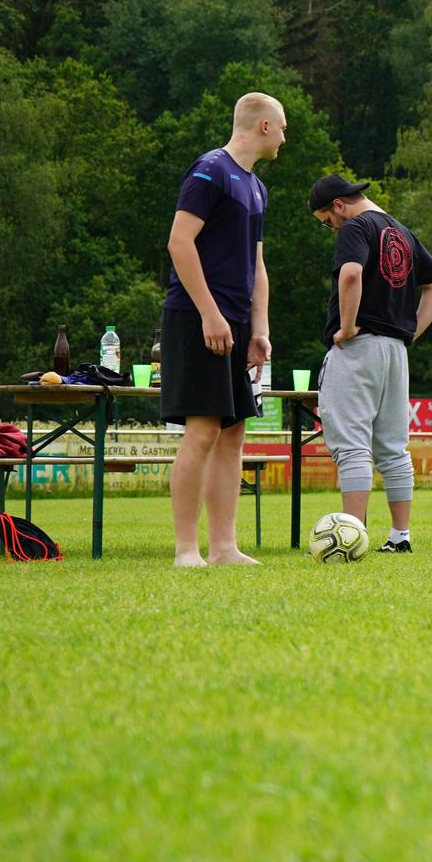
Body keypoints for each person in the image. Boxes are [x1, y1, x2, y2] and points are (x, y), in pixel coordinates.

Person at [162, 92, 285, 567]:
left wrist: (260, 328)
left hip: (234, 322)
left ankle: (224, 547)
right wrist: (211, 314)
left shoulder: (256, 187)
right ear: (264, 127)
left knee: (233, 433)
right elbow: (179, 242)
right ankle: (186, 549)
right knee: (202, 431)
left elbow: (257, 263)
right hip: (196, 317)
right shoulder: (210, 170)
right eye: (283, 127)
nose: (285, 136)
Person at [309, 175, 432, 552]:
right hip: (395, 350)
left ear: (339, 205)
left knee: (352, 446)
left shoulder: (355, 226)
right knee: (393, 447)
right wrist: (411, 331)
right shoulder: (401, 230)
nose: (331, 228)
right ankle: (400, 537)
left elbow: (351, 273)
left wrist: (349, 325)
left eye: (327, 220)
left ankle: (353, 537)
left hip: (359, 347)